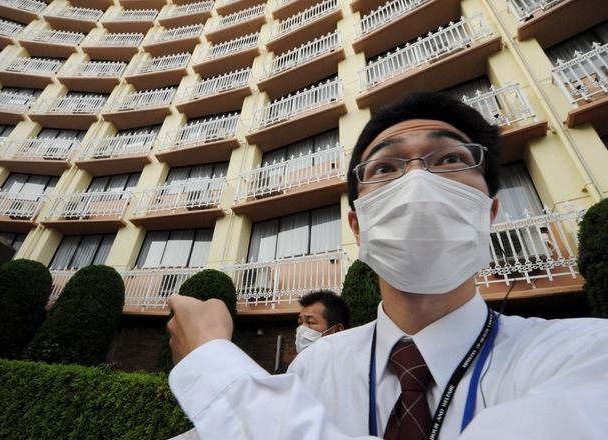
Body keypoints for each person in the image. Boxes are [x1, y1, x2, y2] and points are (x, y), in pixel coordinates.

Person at [166, 92, 608, 439]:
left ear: (488, 211)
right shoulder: (315, 368)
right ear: (358, 224)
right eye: (385, 167)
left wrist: (212, 361)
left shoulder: (586, 354)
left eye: (450, 158)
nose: (418, 178)